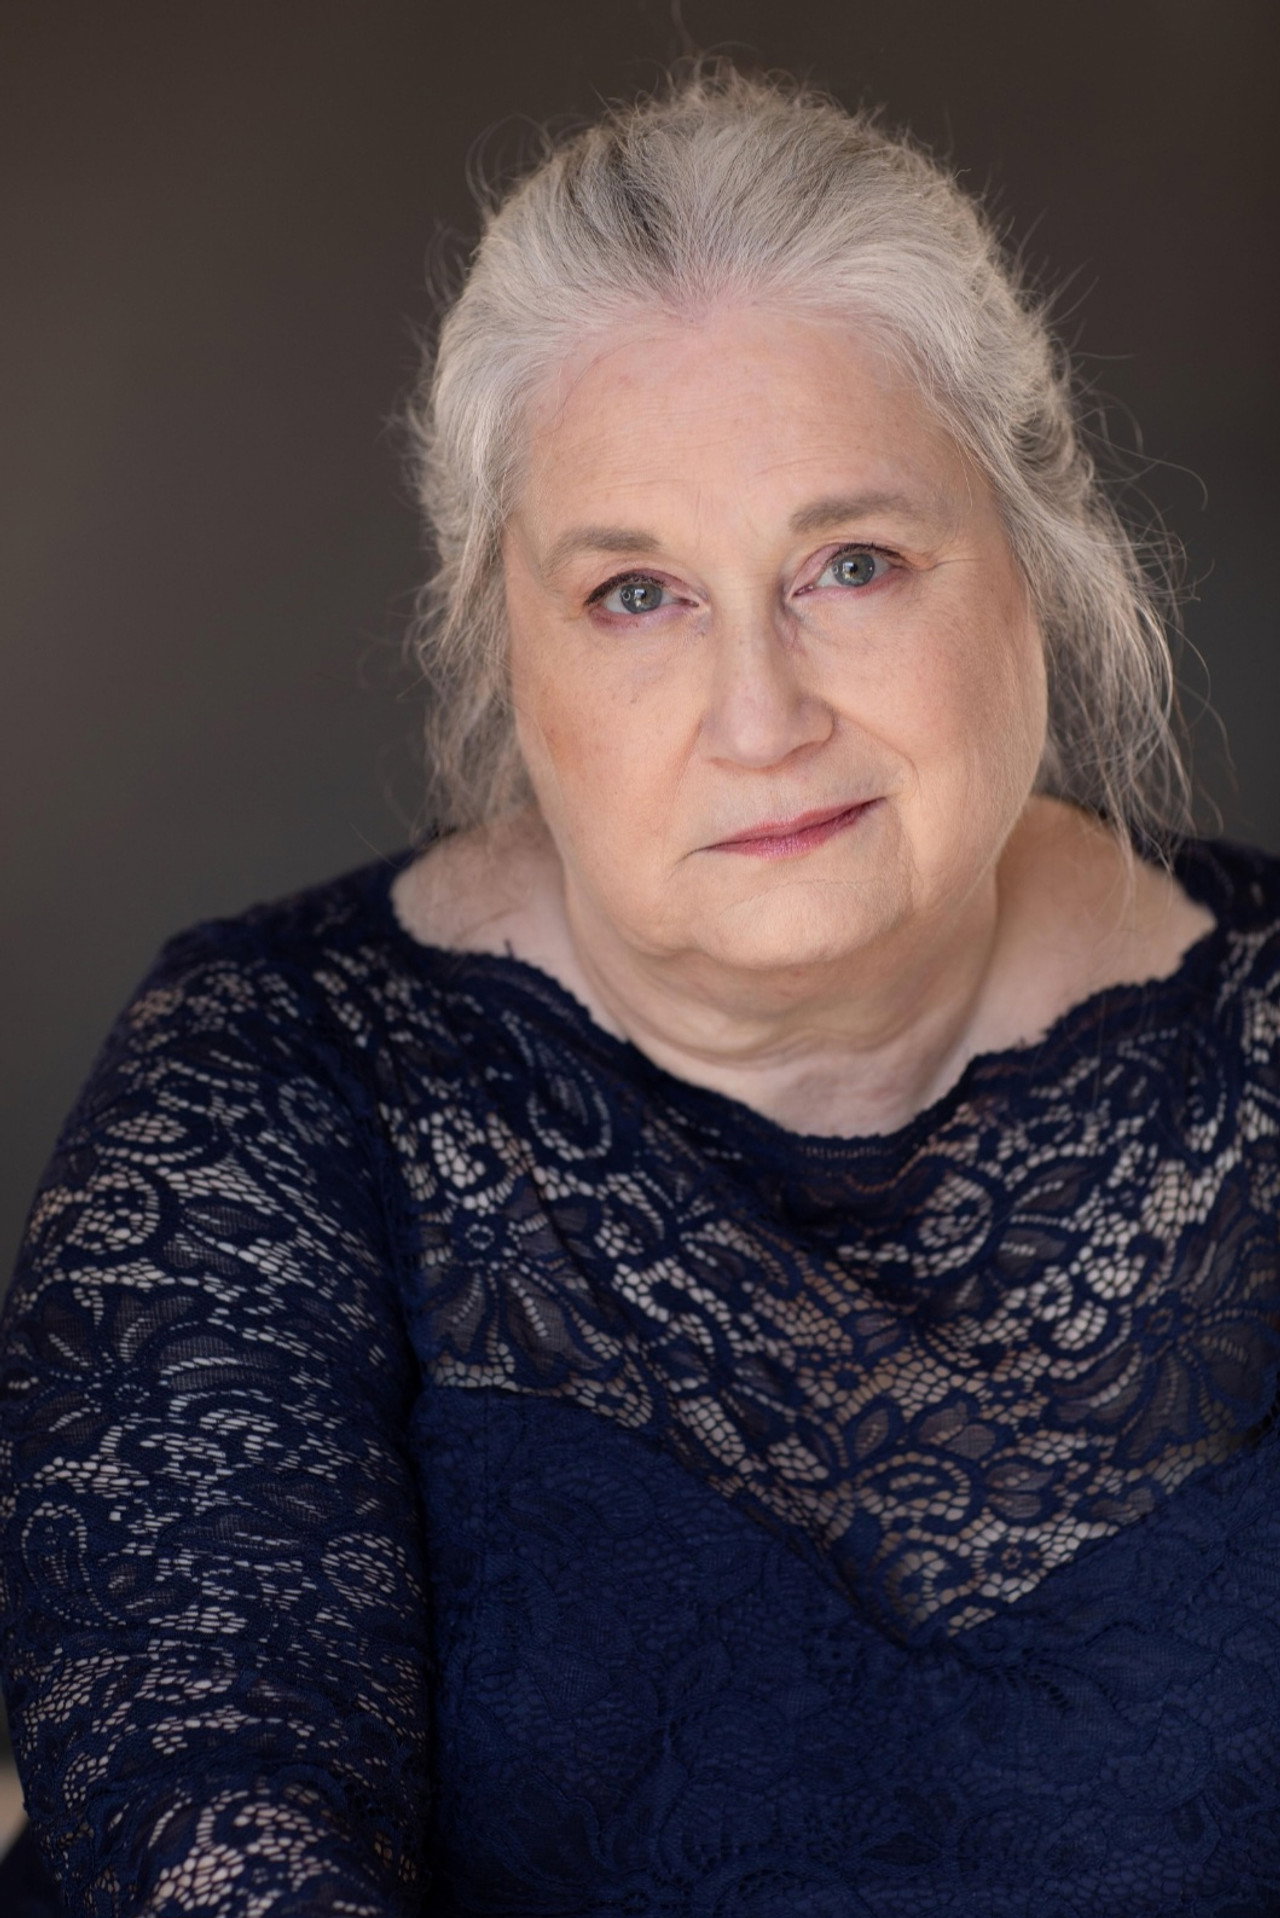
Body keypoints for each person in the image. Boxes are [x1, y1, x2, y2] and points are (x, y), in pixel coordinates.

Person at [2, 61, 1279, 1917]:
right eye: (636, 595)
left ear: (1037, 558)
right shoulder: (268, 1080)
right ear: (500, 642)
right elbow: (210, 1815)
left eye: (853, 563)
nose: (760, 714)